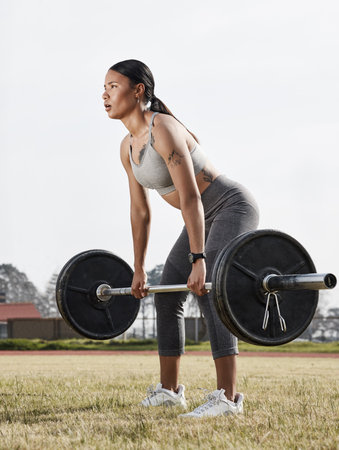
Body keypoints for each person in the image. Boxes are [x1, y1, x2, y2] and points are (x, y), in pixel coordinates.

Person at [102, 59, 259, 418]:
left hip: (230, 206)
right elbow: (140, 212)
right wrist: (138, 267)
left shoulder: (164, 128)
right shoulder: (127, 148)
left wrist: (199, 259)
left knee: (208, 292)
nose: (104, 94)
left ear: (138, 90)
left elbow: (190, 197)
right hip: (202, 217)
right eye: (104, 87)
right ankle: (170, 391)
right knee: (166, 293)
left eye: (113, 86)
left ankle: (227, 398)